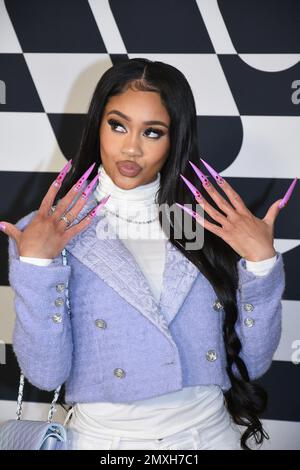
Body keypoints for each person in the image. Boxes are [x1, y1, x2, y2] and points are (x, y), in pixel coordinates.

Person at [0, 58, 289, 450]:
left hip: (208, 437)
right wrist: (37, 266)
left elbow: (251, 364)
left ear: (175, 139)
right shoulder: (49, 229)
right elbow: (46, 374)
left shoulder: (200, 222)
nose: (131, 147)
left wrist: (261, 265)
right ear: (96, 125)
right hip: (103, 442)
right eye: (117, 125)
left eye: (153, 132)